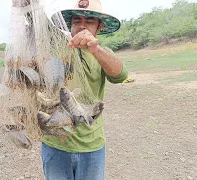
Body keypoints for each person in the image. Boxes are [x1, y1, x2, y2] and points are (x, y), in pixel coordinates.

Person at [41, 0, 128, 180]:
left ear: (99, 26)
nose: (81, 25)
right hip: (55, 144)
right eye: (76, 21)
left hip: (92, 145)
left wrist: (95, 49)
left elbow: (120, 75)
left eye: (89, 21)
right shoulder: (55, 49)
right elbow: (36, 29)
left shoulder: (103, 53)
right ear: (70, 25)